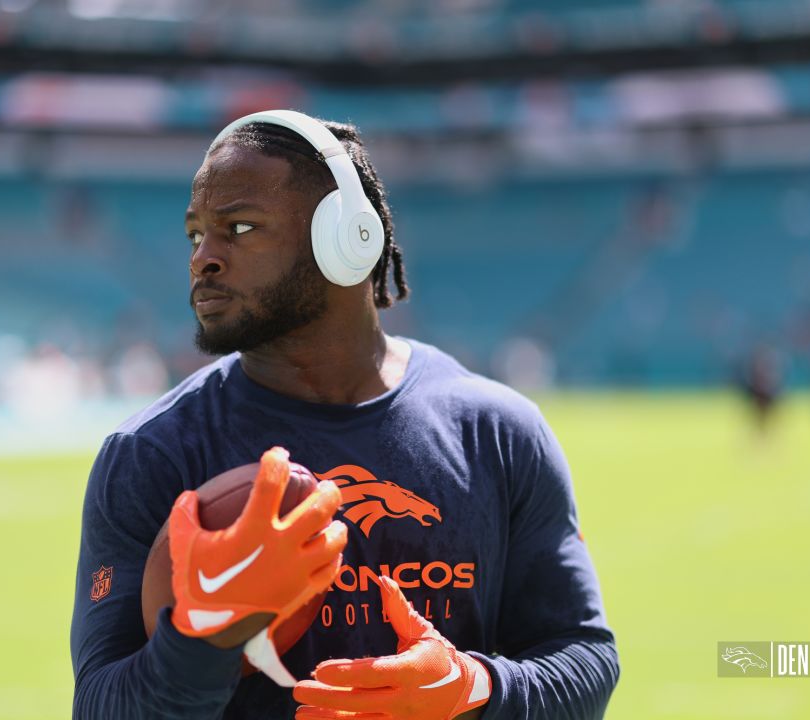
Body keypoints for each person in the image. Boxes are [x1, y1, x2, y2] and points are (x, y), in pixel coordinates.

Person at [69, 110, 619, 719]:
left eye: (241, 227)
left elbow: (585, 658)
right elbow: (98, 705)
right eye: (196, 234)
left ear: (348, 237)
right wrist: (199, 638)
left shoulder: (497, 432)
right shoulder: (150, 454)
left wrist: (473, 688)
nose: (204, 259)